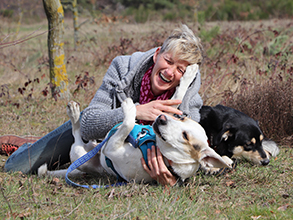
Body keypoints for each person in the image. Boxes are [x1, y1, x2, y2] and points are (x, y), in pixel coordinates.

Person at [4, 24, 203, 186]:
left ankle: (46, 143)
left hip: (113, 158)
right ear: (157, 54)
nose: (169, 72)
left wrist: (172, 180)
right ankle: (28, 144)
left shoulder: (188, 94)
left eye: (180, 69)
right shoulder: (123, 67)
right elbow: (89, 123)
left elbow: (190, 152)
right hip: (94, 137)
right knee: (17, 167)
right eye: (168, 61)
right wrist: (136, 112)